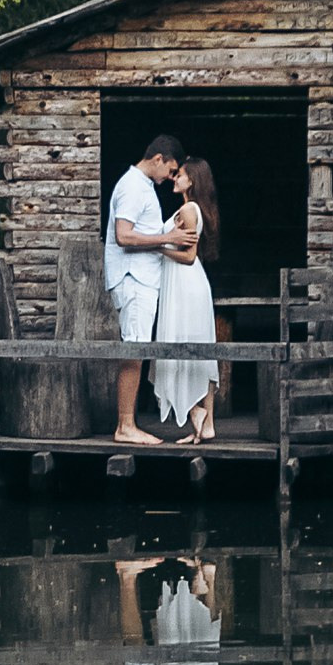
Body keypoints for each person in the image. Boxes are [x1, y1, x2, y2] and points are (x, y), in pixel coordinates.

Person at [105, 135, 197, 446]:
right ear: (158, 159)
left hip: (141, 279)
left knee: (138, 348)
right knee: (134, 349)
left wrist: (167, 232)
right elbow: (124, 236)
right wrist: (168, 238)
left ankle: (128, 423)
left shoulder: (142, 186)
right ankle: (125, 426)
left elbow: (140, 232)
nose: (170, 177)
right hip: (132, 278)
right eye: (170, 171)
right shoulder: (133, 186)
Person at [152, 156, 221, 442]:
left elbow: (190, 257)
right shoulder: (191, 208)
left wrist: (158, 247)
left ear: (191, 180)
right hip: (185, 284)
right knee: (197, 349)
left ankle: (195, 411)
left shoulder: (189, 209)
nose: (174, 177)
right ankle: (207, 424)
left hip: (186, 284)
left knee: (181, 346)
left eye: (179, 174)